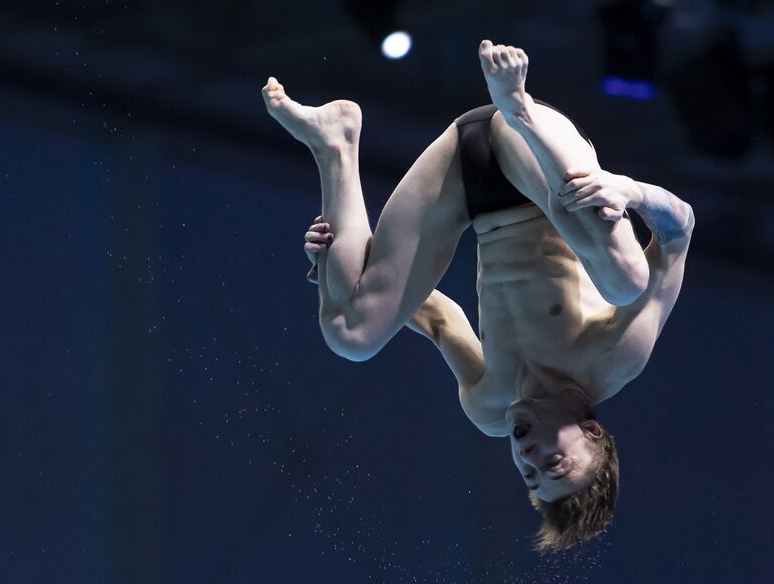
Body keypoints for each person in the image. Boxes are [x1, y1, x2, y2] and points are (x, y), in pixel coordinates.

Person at [263, 39, 694, 551]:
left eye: (530, 476)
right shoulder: (615, 358)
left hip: (462, 180)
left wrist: (346, 273)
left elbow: (437, 316)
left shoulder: (488, 407)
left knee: (350, 335)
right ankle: (522, 105)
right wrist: (633, 193)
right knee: (628, 279)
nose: (528, 458)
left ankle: (333, 143)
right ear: (592, 434)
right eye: (552, 462)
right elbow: (679, 230)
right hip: (537, 158)